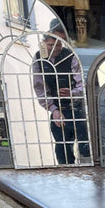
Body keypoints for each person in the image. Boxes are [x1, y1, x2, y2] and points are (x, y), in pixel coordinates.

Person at [32, 19, 90, 165]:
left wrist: (73, 92)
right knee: (62, 148)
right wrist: (53, 109)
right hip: (58, 109)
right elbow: (39, 87)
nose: (56, 48)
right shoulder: (39, 58)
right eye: (52, 44)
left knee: (85, 147)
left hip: (77, 108)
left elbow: (82, 82)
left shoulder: (70, 56)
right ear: (44, 42)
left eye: (59, 44)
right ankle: (66, 172)